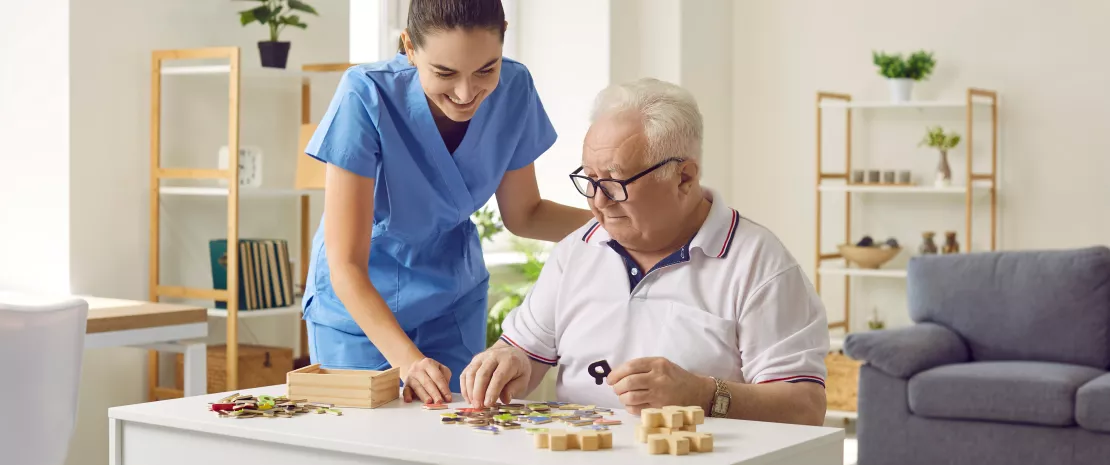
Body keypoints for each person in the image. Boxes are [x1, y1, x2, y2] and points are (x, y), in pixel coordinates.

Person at [459, 78, 830, 426]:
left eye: (616, 182)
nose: (598, 201)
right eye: (589, 180)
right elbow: (524, 351)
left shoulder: (758, 265)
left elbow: (806, 406)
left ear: (683, 177)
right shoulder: (578, 249)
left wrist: (704, 395)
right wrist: (508, 361)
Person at [301, 0, 593, 405]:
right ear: (409, 47)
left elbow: (525, 215)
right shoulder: (365, 94)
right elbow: (346, 264)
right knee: (365, 442)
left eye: (485, 70)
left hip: (452, 298)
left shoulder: (514, 89)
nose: (466, 92)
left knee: (458, 435)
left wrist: (620, 223)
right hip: (361, 307)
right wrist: (407, 361)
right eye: (444, 73)